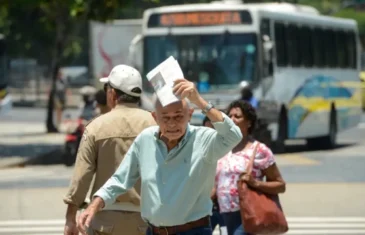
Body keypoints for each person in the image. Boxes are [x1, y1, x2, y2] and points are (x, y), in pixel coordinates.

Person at [77, 78, 243, 235]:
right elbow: (120, 179)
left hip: (194, 231)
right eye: (166, 118)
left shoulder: (204, 140)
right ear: (155, 117)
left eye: (178, 116)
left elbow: (234, 135)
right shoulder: (145, 139)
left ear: (190, 115)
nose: (172, 124)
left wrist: (200, 101)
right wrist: (94, 206)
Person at [63, 64, 156, 235]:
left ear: (112, 94)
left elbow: (81, 177)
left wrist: (70, 218)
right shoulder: (156, 124)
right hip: (148, 220)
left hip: (104, 220)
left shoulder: (96, 127)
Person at [215, 100, 286, 235]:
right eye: (229, 116)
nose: (232, 119)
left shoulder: (259, 150)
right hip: (224, 214)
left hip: (247, 214)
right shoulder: (222, 148)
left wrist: (256, 183)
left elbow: (280, 185)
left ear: (249, 123)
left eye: (237, 116)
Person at [203, 116, 227, 235]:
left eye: (214, 128)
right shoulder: (199, 151)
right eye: (208, 128)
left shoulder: (230, 149)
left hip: (226, 209)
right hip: (206, 209)